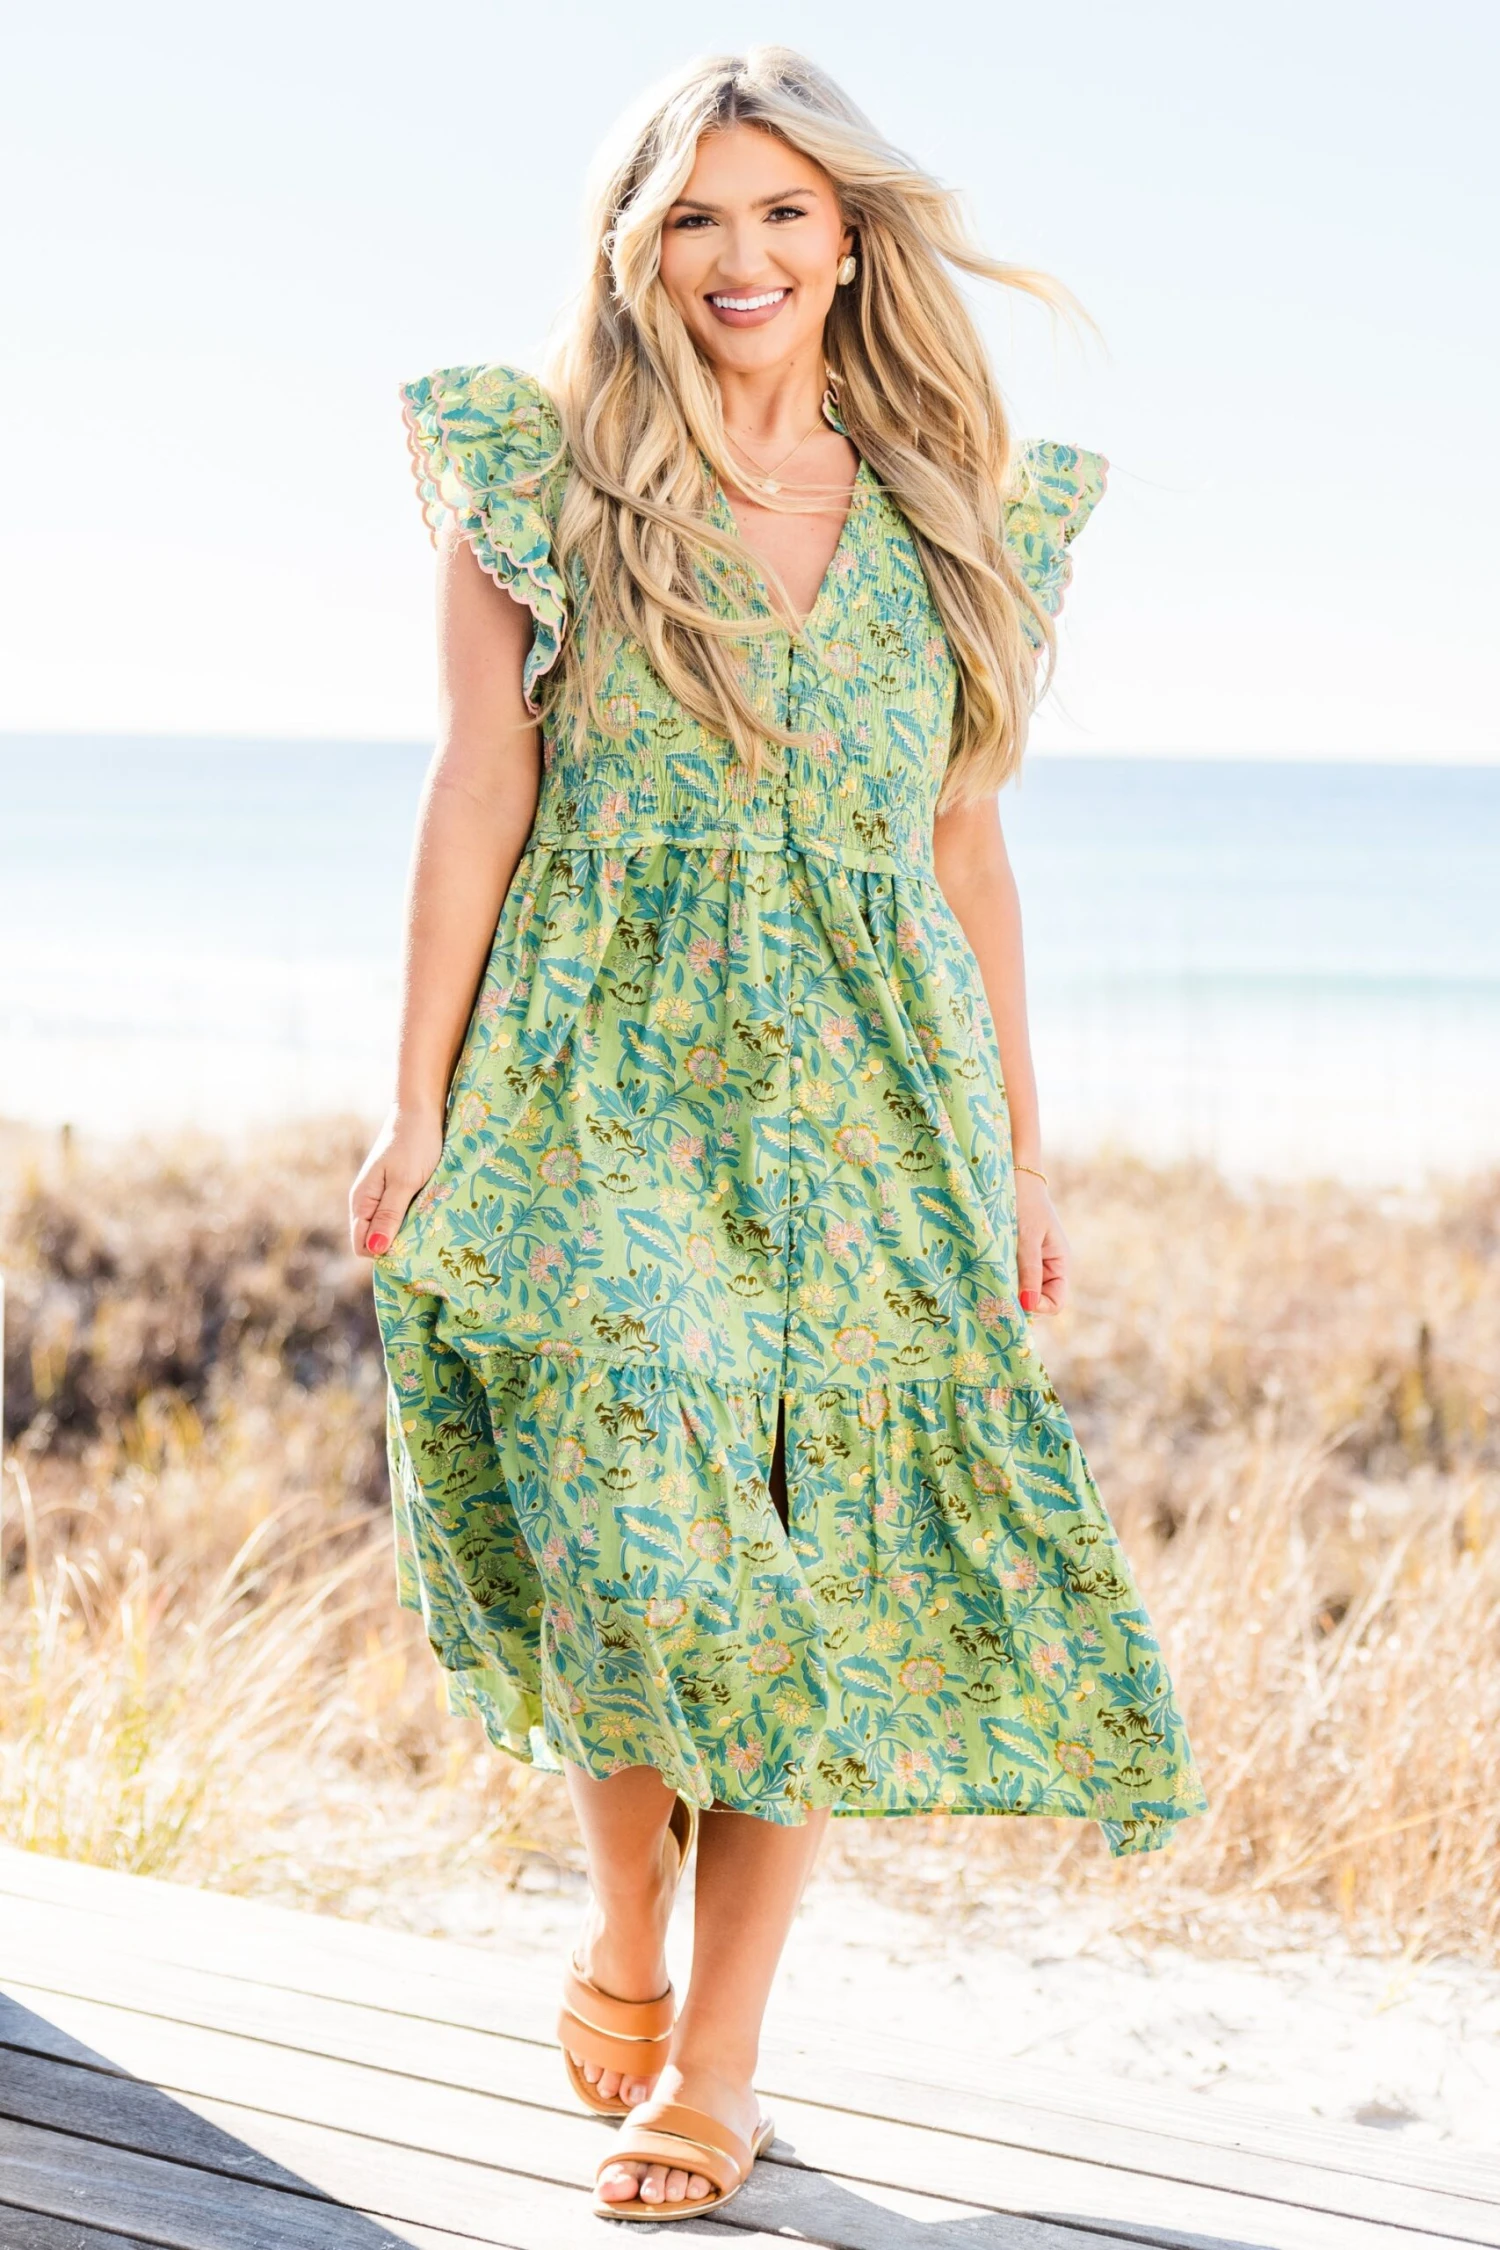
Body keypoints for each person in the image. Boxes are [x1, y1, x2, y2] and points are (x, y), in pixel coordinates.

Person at [351, 46, 1206, 2221]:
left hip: (872, 1102)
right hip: (597, 1077)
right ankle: (623, 1917)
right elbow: (478, 785)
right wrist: (416, 1098)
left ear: (849, 238)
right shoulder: (538, 480)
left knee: (806, 1583)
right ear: (636, 249)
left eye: (783, 214)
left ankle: (715, 2067)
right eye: (695, 218)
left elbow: (967, 850)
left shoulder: (958, 515)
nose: (740, 258)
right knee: (634, 1546)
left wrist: (1024, 1152)